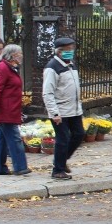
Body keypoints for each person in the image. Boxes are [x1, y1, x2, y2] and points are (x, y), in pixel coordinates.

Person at [43, 37, 84, 180]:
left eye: (72, 49)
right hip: (60, 110)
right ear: (59, 51)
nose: (71, 52)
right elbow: (48, 92)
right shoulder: (52, 67)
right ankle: (58, 170)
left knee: (79, 134)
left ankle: (62, 159)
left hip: (74, 109)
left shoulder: (71, 65)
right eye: (68, 50)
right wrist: (54, 112)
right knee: (63, 138)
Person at [0, 44, 29, 175]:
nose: (21, 56)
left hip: (10, 108)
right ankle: (20, 166)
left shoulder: (11, 68)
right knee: (15, 139)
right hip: (6, 110)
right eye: (19, 54)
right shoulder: (3, 68)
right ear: (12, 55)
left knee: (2, 140)